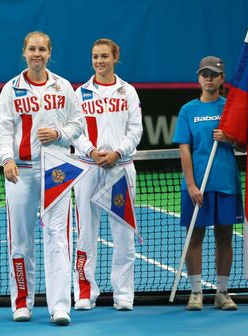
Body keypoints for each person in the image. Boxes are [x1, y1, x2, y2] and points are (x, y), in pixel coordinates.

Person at [0, 31, 84, 325]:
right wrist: (7, 159)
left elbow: (78, 125)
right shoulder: (11, 88)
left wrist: (60, 134)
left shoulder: (64, 87)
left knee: (58, 238)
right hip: (21, 171)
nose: (37, 54)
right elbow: (3, 129)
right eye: (32, 49)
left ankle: (60, 307)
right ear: (24, 52)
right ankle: (22, 303)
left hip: (57, 170)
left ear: (49, 52)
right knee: (20, 240)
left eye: (42, 49)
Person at [72, 38, 142, 311]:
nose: (99, 61)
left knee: (123, 234)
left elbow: (135, 131)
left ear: (115, 57)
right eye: (95, 57)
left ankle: (123, 295)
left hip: (119, 171)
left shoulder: (128, 92)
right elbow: (74, 131)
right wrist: (91, 152)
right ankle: (85, 293)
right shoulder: (80, 93)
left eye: (104, 56)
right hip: (87, 170)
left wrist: (118, 153)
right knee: (85, 234)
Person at [173, 56, 244, 311]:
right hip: (197, 187)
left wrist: (229, 138)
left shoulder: (231, 108)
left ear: (222, 78)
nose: (209, 78)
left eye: (214, 74)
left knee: (225, 238)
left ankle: (223, 292)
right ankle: (196, 292)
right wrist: (191, 185)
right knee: (195, 237)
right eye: (205, 74)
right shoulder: (188, 110)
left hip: (225, 183)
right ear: (199, 78)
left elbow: (245, 146)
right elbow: (184, 149)